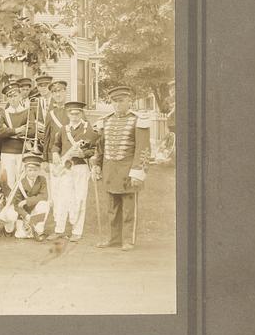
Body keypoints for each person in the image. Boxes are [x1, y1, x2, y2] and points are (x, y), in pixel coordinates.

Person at [89, 86, 151, 251]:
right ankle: (114, 239)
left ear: (129, 101)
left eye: (121, 101)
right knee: (112, 208)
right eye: (114, 101)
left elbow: (143, 149)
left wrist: (138, 172)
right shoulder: (106, 121)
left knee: (129, 208)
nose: (117, 105)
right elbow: (100, 148)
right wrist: (96, 165)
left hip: (128, 171)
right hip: (110, 171)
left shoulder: (138, 120)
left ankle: (128, 240)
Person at [48, 100, 98, 242]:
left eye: (77, 113)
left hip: (81, 167)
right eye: (71, 113)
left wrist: (85, 154)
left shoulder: (88, 129)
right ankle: (59, 230)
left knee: (80, 198)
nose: (74, 116)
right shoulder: (64, 129)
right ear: (67, 114)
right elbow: (56, 144)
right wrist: (55, 153)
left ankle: (77, 231)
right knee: (62, 198)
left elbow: (95, 148)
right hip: (65, 167)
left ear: (81, 113)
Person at [0, 83, 30, 188]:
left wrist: (9, 131)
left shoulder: (27, 111)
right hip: (7, 152)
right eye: (10, 97)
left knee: (23, 180)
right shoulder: (3, 113)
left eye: (15, 95)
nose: (13, 99)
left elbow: (32, 130)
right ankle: (9, 203)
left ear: (20, 96)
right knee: (8, 181)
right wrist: (17, 130)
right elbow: (0, 132)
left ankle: (21, 203)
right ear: (7, 99)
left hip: (22, 151)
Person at [11, 153, 50, 240]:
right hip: (24, 214)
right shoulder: (20, 183)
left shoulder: (42, 180)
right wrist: (27, 216)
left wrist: (27, 201)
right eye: (30, 170)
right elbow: (17, 205)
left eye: (35, 170)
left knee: (44, 204)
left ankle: (39, 231)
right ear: (25, 170)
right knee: (21, 235)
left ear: (39, 170)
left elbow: (44, 196)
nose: (32, 173)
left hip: (35, 211)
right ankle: (32, 228)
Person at [43, 79, 69, 160]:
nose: (58, 95)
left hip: (69, 154)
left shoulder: (74, 111)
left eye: (60, 91)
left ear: (65, 92)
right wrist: (45, 159)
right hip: (54, 156)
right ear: (52, 95)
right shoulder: (50, 114)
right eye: (54, 92)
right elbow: (47, 137)